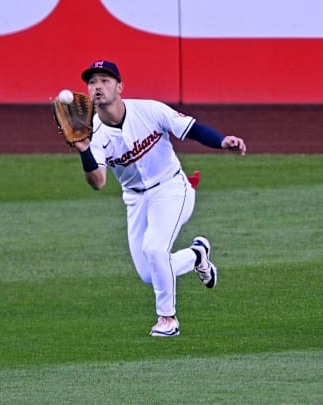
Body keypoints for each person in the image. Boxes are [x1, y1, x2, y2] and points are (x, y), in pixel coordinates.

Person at [72, 60, 247, 337]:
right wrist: (83, 150)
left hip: (172, 189)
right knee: (148, 273)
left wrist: (223, 141)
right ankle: (196, 255)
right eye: (92, 82)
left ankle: (168, 319)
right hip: (135, 200)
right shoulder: (94, 134)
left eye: (105, 80)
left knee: (155, 249)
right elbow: (98, 182)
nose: (98, 87)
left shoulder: (150, 110)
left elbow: (193, 129)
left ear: (119, 86)